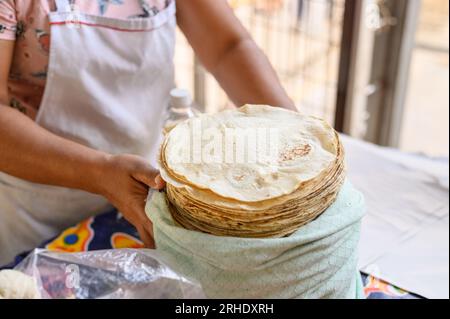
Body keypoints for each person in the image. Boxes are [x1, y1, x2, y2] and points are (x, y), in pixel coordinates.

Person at [0, 0, 295, 265]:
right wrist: (101, 172)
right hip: (40, 212)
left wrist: (293, 128)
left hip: (148, 191)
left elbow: (228, 47)